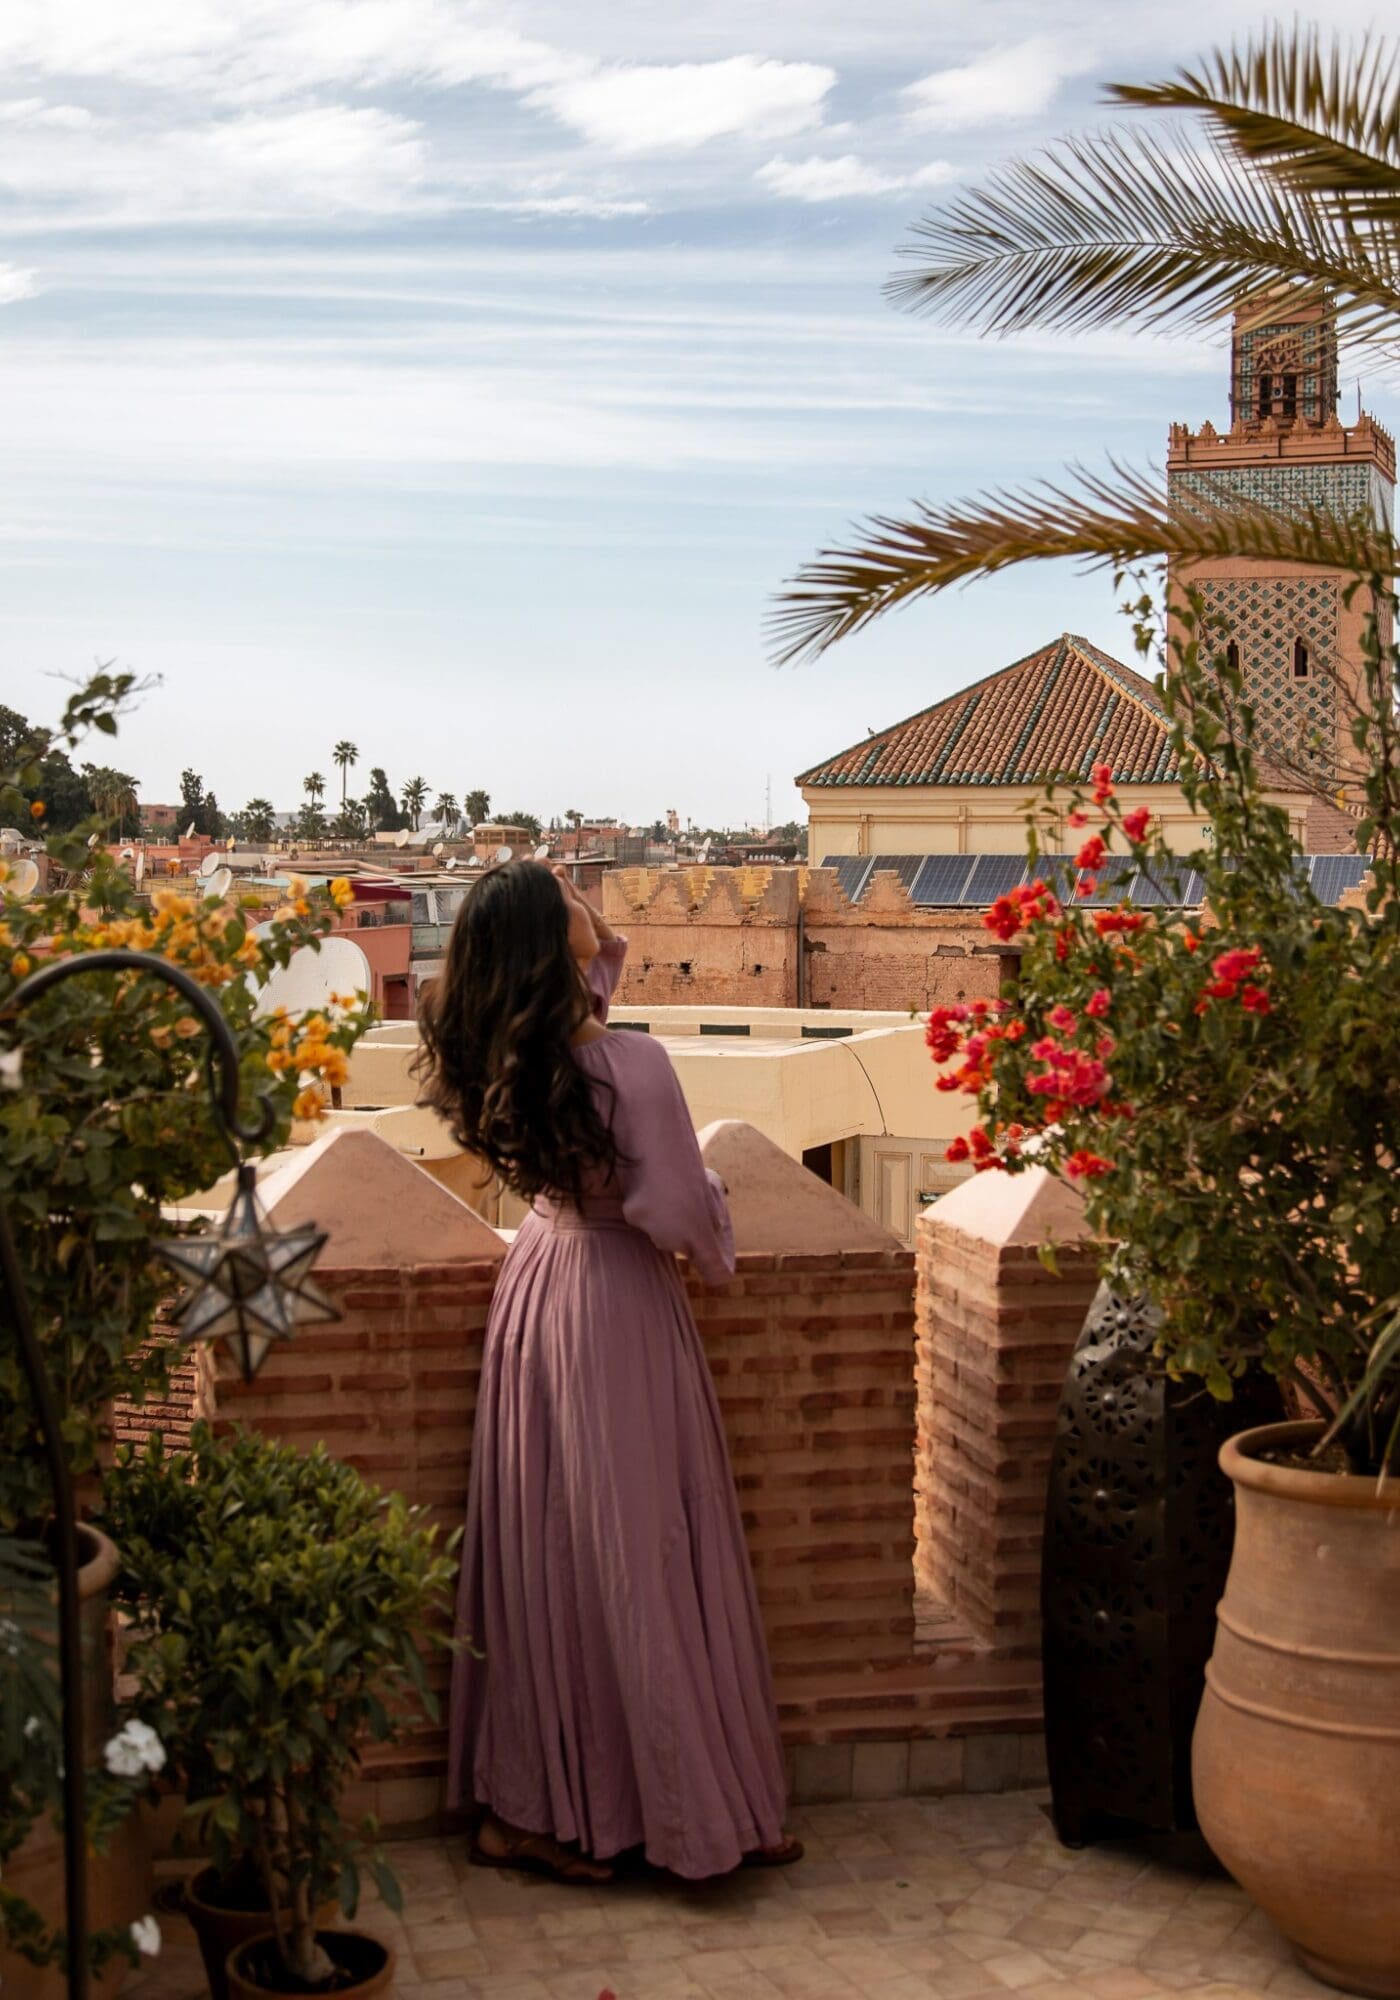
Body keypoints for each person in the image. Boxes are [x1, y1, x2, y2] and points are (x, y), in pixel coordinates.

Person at [416, 860, 799, 1885]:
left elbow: (591, 1028)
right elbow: (674, 1213)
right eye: (573, 898)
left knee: (550, 1550)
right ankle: (681, 1810)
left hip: (538, 1285)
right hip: (618, 1299)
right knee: (642, 1553)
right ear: (555, 943)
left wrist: (591, 950)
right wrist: (714, 1225)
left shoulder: (521, 1052)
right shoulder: (634, 1064)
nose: (594, 902)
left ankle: (537, 1804)